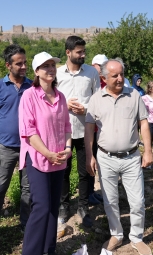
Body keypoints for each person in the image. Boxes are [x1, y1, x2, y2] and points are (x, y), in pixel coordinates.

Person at [85, 59, 153, 255]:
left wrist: (148, 151)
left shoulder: (133, 95)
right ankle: (116, 234)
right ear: (104, 78)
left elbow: (144, 123)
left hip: (131, 157)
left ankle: (137, 237)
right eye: (115, 75)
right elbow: (89, 128)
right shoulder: (96, 98)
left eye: (122, 74)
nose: (120, 78)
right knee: (110, 201)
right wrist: (90, 155)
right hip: (105, 158)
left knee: (137, 201)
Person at [16, 52, 72, 255]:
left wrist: (67, 149)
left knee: (54, 206)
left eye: (52, 65)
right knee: (41, 206)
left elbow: (67, 127)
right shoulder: (29, 96)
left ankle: (50, 249)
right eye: (45, 66)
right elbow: (29, 132)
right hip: (39, 158)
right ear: (36, 72)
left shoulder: (61, 97)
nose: (50, 69)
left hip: (59, 159)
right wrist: (48, 153)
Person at [56, 36, 100, 228]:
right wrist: (64, 105)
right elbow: (50, 100)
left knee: (85, 171)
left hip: (85, 130)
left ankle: (83, 206)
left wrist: (86, 109)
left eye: (84, 51)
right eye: (79, 52)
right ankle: (64, 206)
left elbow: (99, 100)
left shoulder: (91, 72)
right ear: (68, 52)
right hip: (62, 132)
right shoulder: (57, 74)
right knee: (63, 171)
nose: (83, 55)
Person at [0, 44, 31, 232]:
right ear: (8, 66)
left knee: (28, 188)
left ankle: (25, 223)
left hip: (29, 147)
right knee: (1, 184)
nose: (24, 67)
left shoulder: (32, 87)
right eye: (19, 64)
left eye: (25, 63)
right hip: (5, 147)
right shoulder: (1, 87)